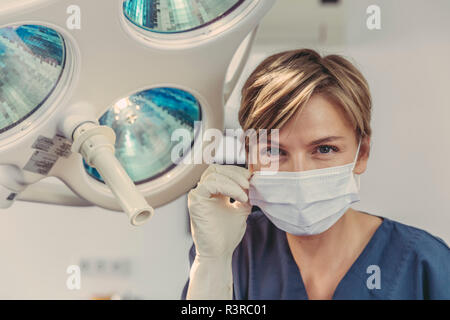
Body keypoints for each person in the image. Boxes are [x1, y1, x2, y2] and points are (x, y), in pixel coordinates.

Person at [181, 49, 450, 300]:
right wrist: (213, 262)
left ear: (362, 152)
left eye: (324, 148)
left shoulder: (423, 266)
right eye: (274, 151)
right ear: (250, 156)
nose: (300, 173)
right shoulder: (236, 254)